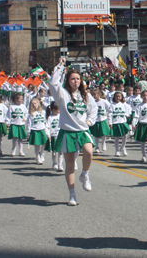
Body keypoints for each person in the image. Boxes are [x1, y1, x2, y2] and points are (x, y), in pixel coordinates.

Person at [48, 59, 98, 206]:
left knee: (88, 152)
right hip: (67, 132)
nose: (75, 81)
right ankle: (72, 195)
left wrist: (89, 121)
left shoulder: (86, 96)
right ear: (68, 81)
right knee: (69, 165)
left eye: (77, 79)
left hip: (82, 130)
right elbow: (52, 83)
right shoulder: (62, 94)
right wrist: (60, 66)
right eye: (72, 79)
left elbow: (93, 110)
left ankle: (85, 175)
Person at [132, 90, 147, 162]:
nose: (145, 97)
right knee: (143, 141)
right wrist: (134, 124)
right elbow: (136, 116)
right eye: (144, 95)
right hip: (142, 124)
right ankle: (143, 155)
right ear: (141, 96)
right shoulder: (139, 106)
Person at [27, 98, 49, 165]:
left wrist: (47, 131)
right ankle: (38, 157)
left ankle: (42, 154)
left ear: (38, 104)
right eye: (32, 104)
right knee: (37, 145)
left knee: (44, 144)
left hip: (42, 129)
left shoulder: (43, 112)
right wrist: (28, 132)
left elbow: (45, 122)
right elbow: (29, 124)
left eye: (35, 103)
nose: (34, 105)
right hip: (35, 130)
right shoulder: (31, 114)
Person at [108, 91, 131, 157]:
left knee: (125, 135)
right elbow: (109, 114)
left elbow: (129, 109)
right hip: (115, 122)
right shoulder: (112, 105)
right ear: (114, 97)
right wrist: (110, 122)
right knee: (117, 137)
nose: (118, 98)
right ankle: (117, 150)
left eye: (119, 96)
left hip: (122, 122)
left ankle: (123, 147)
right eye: (116, 96)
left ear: (121, 97)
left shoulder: (124, 104)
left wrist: (127, 114)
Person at [45, 101, 64, 171]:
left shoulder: (61, 116)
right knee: (54, 152)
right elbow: (46, 127)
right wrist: (48, 135)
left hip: (60, 136)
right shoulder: (49, 117)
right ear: (53, 110)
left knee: (61, 151)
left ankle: (60, 165)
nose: (59, 111)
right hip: (53, 136)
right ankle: (54, 163)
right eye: (57, 110)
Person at [90, 89, 110, 153]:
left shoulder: (104, 101)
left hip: (102, 119)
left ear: (99, 95)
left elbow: (110, 108)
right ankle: (97, 146)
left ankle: (103, 144)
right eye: (93, 95)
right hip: (96, 120)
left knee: (103, 133)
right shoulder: (93, 102)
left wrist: (107, 112)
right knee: (96, 135)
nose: (94, 96)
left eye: (95, 94)